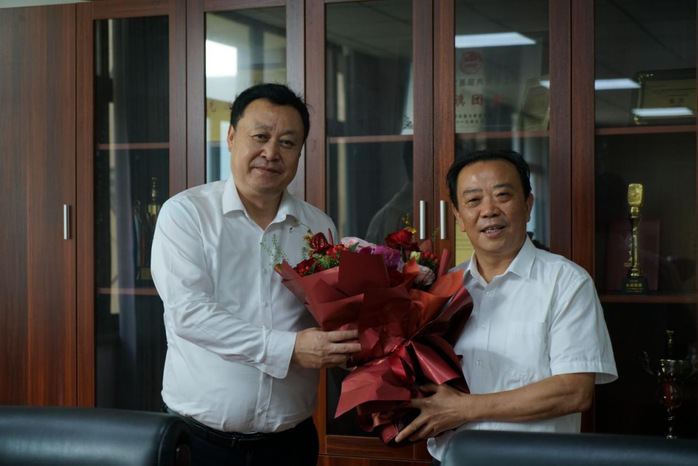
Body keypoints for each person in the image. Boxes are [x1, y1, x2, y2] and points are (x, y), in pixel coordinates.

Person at [151, 83, 361, 466]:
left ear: (300, 152)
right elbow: (189, 314)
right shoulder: (186, 215)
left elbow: (328, 314)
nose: (271, 153)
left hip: (290, 443)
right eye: (260, 137)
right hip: (198, 442)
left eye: (287, 143)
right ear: (232, 137)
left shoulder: (318, 226)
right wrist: (289, 349)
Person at [393, 149, 618, 464]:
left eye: (503, 195)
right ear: (457, 217)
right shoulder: (444, 288)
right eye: (473, 200)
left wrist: (464, 408)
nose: (488, 210)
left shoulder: (566, 282)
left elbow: (574, 392)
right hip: (452, 459)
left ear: (527, 206)